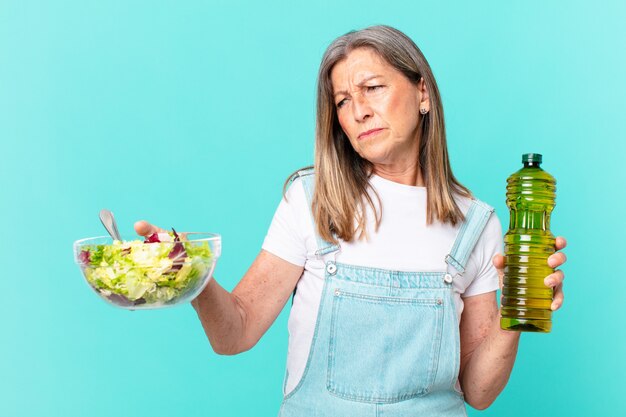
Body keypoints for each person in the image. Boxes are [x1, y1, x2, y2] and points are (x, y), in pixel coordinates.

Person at [135, 25, 567, 416]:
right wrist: (194, 275)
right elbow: (235, 333)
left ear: (423, 94)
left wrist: (516, 312)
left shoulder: (478, 225)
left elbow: (479, 392)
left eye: (373, 87)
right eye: (342, 101)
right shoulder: (311, 201)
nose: (358, 110)